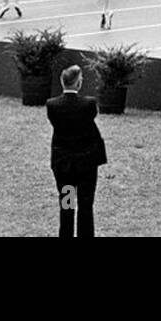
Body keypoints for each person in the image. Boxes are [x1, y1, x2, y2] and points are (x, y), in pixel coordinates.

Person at [47, 65, 107, 238]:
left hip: (64, 164)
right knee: (86, 205)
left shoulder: (52, 105)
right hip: (86, 163)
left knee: (67, 204)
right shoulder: (88, 104)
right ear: (78, 83)